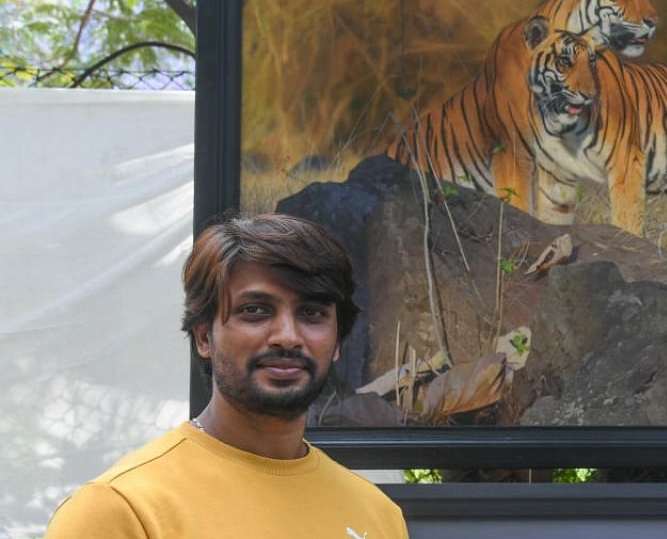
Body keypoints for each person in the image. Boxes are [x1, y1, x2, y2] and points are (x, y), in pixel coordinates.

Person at [46, 213, 409, 538]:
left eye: (311, 313)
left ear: (338, 341)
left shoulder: (377, 516)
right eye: (255, 310)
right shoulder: (122, 510)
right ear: (204, 336)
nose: (287, 335)